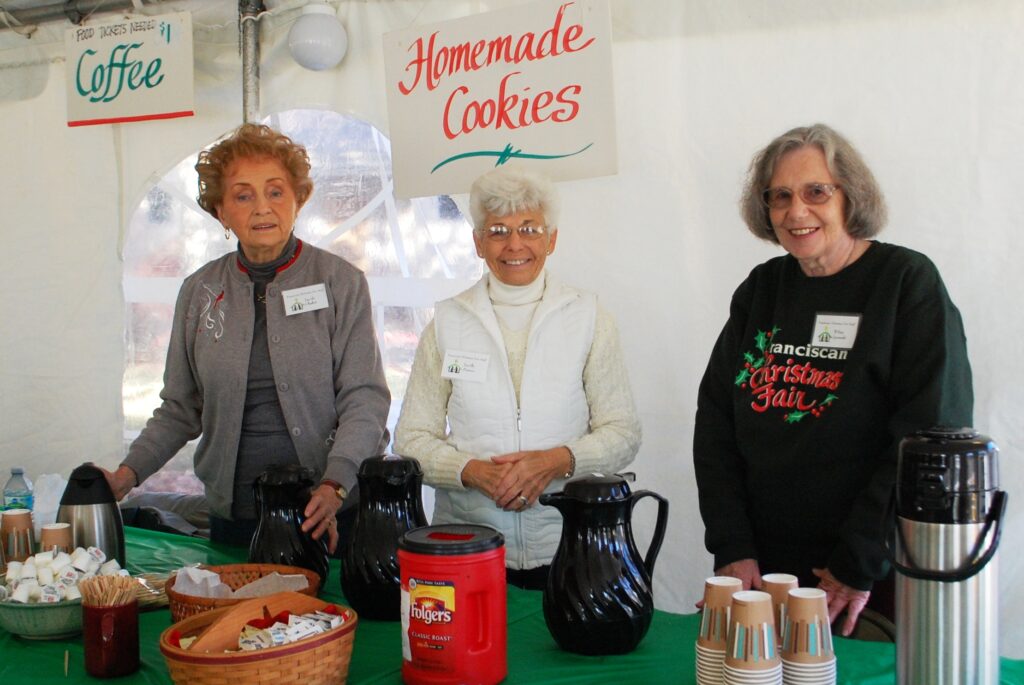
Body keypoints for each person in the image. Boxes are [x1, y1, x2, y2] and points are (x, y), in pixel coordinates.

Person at [693, 124, 972, 635]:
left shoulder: (905, 283)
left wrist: (857, 563)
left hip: (870, 574)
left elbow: (931, 436)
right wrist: (732, 545)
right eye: (780, 196)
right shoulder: (762, 288)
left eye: (816, 192)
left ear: (851, 195)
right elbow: (715, 423)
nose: (796, 211)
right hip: (764, 568)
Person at [104, 124, 390, 553]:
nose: (262, 208)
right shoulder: (199, 291)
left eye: (275, 192)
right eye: (243, 196)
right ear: (221, 212)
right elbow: (180, 408)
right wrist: (126, 475)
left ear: (298, 199)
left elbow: (364, 398)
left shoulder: (340, 283)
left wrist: (336, 483)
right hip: (235, 517)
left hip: (326, 514)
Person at [394, 166, 642, 589]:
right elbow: (411, 438)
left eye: (529, 228)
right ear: (478, 242)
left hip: (569, 549)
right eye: (498, 231)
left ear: (551, 239)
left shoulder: (589, 318)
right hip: (468, 548)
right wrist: (472, 471)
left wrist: (555, 461)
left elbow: (623, 433)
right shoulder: (447, 323)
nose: (514, 244)